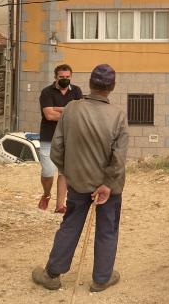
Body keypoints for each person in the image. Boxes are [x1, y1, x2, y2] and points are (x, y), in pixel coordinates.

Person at [32, 63, 128, 293]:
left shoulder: (72, 109)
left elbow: (56, 148)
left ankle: (52, 274)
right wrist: (106, 184)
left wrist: (72, 174)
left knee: (70, 225)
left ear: (90, 84)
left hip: (77, 184)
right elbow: (119, 158)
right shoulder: (118, 115)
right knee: (107, 229)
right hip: (109, 187)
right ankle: (102, 278)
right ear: (112, 87)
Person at [38, 64, 83, 213]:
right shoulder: (46, 92)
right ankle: (46, 194)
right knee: (48, 171)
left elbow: (80, 113)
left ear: (71, 77)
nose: (64, 79)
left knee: (64, 172)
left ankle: (60, 206)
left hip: (69, 138)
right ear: (55, 77)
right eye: (61, 77)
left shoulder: (76, 91)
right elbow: (49, 115)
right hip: (48, 138)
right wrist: (68, 111)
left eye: (67, 77)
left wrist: (57, 108)